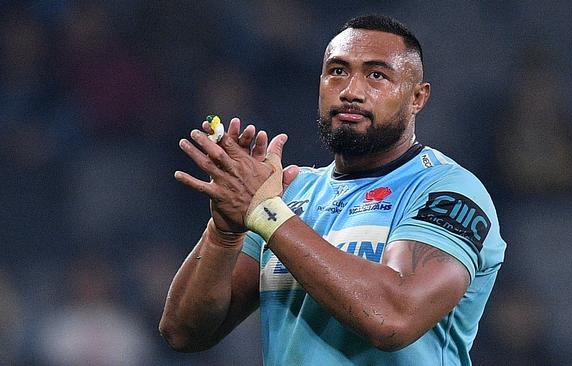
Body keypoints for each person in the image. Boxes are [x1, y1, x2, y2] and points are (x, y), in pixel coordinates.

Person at [160, 14, 506, 365]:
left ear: (418, 97)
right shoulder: (287, 194)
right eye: (337, 71)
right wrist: (225, 231)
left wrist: (266, 213)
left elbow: (393, 317)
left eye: (376, 75)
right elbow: (183, 332)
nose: (351, 91)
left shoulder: (447, 191)